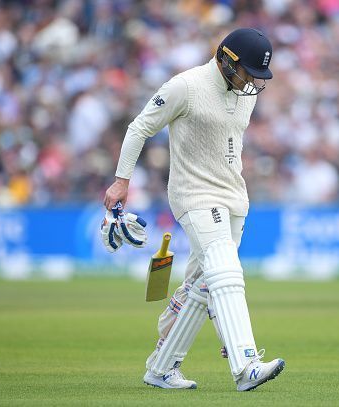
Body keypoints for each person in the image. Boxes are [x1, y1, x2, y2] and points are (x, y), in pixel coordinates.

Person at [102, 28, 285, 391]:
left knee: (203, 287)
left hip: (234, 197)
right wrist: (122, 181)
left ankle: (161, 368)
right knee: (226, 271)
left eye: (257, 75)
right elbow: (139, 128)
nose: (251, 82)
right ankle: (245, 363)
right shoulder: (185, 86)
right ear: (225, 59)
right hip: (194, 195)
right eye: (247, 71)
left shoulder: (243, 93)